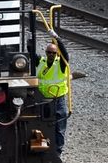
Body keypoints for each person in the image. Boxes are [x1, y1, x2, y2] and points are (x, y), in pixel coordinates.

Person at [36, 29, 70, 157]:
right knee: (42, 126)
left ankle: (57, 153)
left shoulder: (60, 64)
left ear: (56, 54)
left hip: (58, 99)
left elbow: (65, 55)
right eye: (48, 52)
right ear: (46, 52)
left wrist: (57, 39)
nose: (50, 54)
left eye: (53, 53)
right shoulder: (41, 62)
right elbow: (31, 54)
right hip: (43, 100)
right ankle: (43, 150)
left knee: (59, 128)